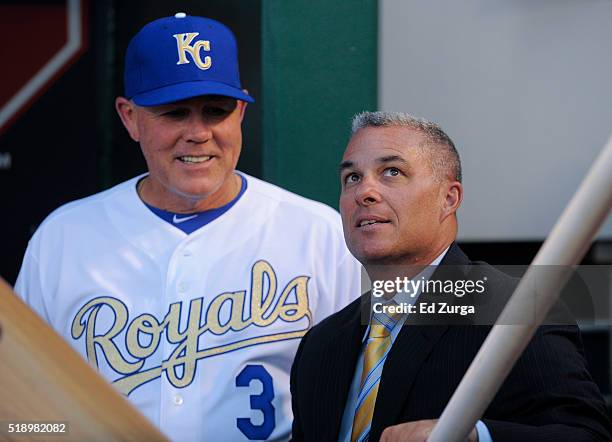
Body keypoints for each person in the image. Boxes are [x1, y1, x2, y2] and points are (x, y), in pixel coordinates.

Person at [14, 13, 361, 442]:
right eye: (174, 113)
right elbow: (20, 405)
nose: (198, 133)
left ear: (241, 112)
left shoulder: (320, 235)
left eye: (215, 110)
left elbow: (358, 401)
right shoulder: (63, 238)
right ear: (129, 117)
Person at [290, 111, 612, 441]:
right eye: (352, 178)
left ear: (449, 198)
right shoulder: (320, 346)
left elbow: (587, 436)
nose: (364, 192)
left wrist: (473, 436)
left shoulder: (514, 311)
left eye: (391, 172)